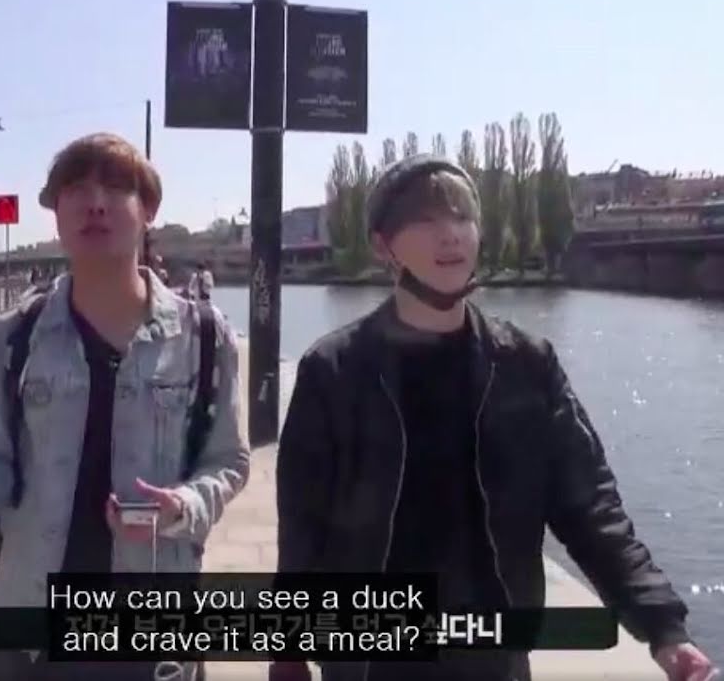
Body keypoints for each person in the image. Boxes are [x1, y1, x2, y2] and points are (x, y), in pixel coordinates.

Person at [274, 154, 716, 681]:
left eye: (463, 216)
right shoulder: (335, 371)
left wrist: (664, 629)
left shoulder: (526, 365)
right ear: (382, 245)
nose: (450, 234)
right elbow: (303, 526)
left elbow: (591, 509)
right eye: (425, 220)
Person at [0, 133, 249, 680]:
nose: (95, 203)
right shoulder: (16, 336)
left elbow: (229, 460)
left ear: (148, 211)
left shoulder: (205, 336)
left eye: (115, 187)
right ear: (57, 213)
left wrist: (183, 506)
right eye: (76, 189)